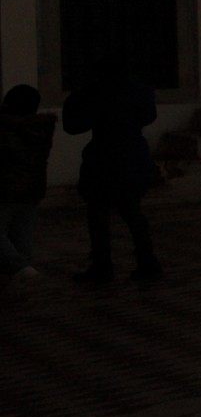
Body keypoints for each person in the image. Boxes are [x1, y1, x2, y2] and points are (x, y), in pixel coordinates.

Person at [63, 56, 162, 283]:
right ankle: (147, 260)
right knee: (132, 212)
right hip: (134, 157)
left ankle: (102, 265)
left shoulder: (100, 93)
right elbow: (148, 116)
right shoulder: (140, 91)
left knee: (98, 214)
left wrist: (81, 93)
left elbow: (74, 125)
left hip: (105, 159)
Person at [0, 84, 55, 283]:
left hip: (7, 187)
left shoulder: (7, 129)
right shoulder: (41, 127)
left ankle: (20, 267)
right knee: (21, 233)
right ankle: (20, 270)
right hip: (33, 187)